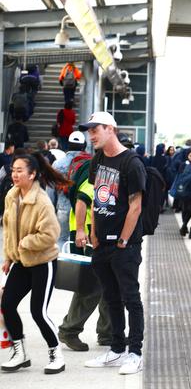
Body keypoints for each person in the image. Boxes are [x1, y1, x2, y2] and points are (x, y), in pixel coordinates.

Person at [79, 111, 146, 375]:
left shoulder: (132, 162)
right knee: (111, 299)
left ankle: (135, 352)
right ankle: (117, 350)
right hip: (101, 244)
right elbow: (97, 199)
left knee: (131, 298)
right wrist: (94, 233)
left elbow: (136, 206)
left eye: (95, 130)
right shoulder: (97, 160)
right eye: (89, 131)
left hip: (124, 246)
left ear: (110, 129)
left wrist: (123, 240)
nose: (91, 135)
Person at [1, 152, 71, 374]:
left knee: (38, 312)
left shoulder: (41, 201)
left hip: (43, 262)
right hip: (22, 261)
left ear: (32, 174)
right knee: (7, 304)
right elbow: (10, 230)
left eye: (20, 170)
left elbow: (51, 235)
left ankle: (56, 354)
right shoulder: (12, 196)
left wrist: (26, 242)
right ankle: (20, 353)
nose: (15, 174)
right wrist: (9, 256)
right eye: (13, 170)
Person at [58, 146, 111, 352]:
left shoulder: (107, 171)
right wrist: (80, 231)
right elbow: (82, 202)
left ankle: (107, 332)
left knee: (109, 285)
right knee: (91, 285)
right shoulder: (99, 174)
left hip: (99, 237)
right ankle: (69, 330)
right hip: (89, 236)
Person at [52, 131, 91, 249]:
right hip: (83, 208)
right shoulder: (89, 162)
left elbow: (51, 189)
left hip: (63, 207)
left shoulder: (58, 164)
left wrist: (52, 207)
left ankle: (62, 266)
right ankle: (77, 266)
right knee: (80, 241)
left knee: (61, 239)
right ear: (84, 145)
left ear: (68, 145)